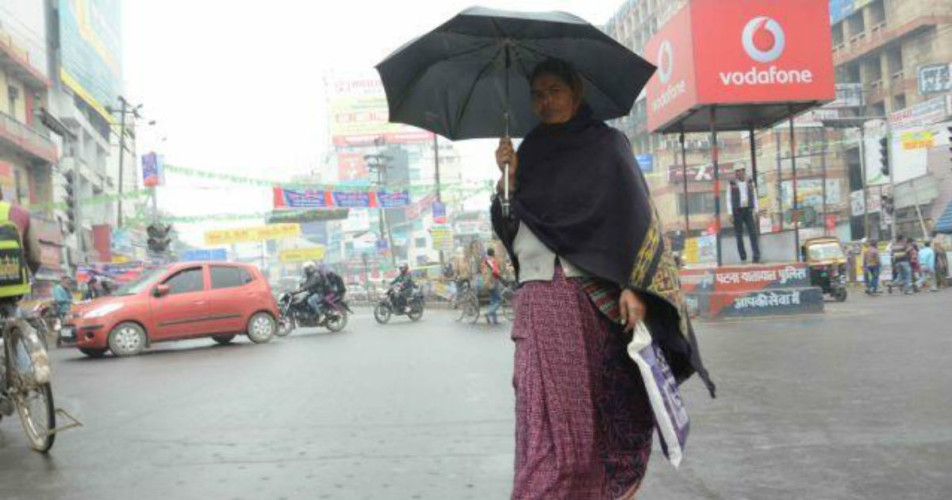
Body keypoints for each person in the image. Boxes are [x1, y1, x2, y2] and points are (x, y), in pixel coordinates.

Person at [491, 58, 714, 499]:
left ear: (575, 92)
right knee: (543, 413)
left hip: (594, 298)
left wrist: (634, 285)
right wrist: (507, 183)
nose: (545, 101)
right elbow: (512, 228)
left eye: (554, 90)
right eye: (537, 94)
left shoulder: (607, 145)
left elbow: (634, 218)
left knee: (610, 408)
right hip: (538, 298)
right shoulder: (528, 152)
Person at [727, 165, 762, 264]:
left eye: (739, 171)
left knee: (753, 233)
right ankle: (743, 257)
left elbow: (754, 196)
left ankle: (756, 256)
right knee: (739, 235)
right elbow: (728, 199)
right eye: (736, 171)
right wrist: (730, 213)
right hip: (737, 211)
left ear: (744, 171)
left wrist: (756, 210)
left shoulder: (750, 182)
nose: (737, 173)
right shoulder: (731, 183)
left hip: (748, 210)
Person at [483, 248, 502, 325]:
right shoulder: (493, 261)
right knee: (498, 301)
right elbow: (495, 271)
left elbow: (484, 272)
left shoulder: (485, 261)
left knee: (492, 301)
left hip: (487, 283)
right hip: (494, 282)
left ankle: (494, 320)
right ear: (493, 253)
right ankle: (488, 313)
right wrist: (499, 272)